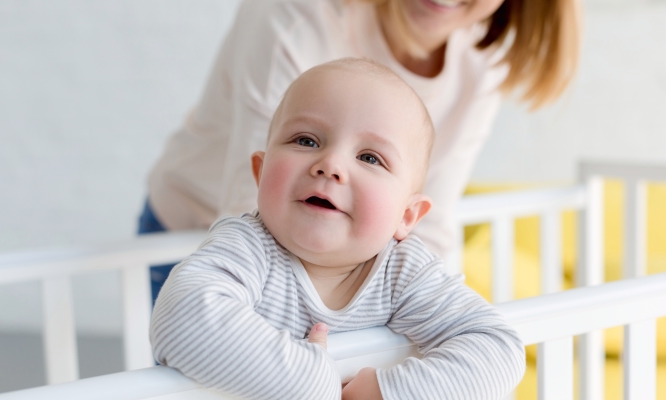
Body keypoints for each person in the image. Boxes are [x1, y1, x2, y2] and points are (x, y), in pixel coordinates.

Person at [140, 0, 581, 301]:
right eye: (309, 140)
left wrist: (418, 322)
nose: (332, 166)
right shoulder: (296, 15)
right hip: (202, 236)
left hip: (339, 259)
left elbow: (430, 226)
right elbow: (250, 211)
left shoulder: (480, 66)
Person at [149, 59, 525, 400]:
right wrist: (315, 384)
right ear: (260, 174)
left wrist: (390, 391)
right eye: (306, 140)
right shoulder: (247, 245)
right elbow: (181, 315)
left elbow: (497, 348)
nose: (330, 164)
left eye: (369, 157)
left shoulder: (403, 272)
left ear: (407, 217)